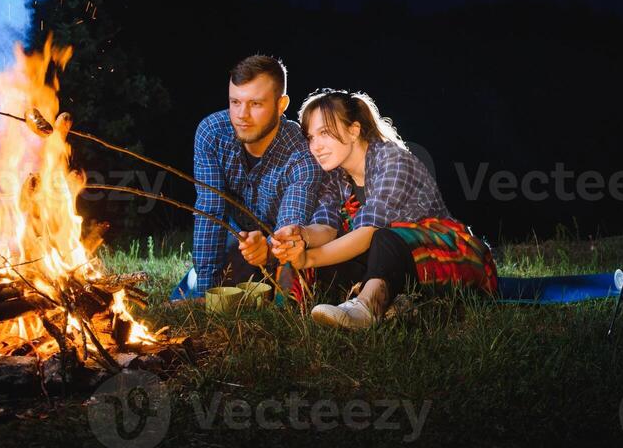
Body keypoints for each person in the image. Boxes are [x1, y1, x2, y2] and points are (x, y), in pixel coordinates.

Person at [260, 88, 497, 329]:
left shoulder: (392, 160)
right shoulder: (334, 175)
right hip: (387, 263)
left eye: (324, 133)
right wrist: (301, 236)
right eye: (311, 137)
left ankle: (367, 307)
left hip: (445, 256)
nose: (316, 146)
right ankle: (393, 305)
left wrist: (308, 259)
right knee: (327, 246)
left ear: (354, 130)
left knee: (383, 236)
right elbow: (327, 227)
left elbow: (367, 233)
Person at [187, 55, 320, 295]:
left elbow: (290, 227)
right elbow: (210, 210)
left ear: (281, 105)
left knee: (282, 293)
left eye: (255, 104)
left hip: (289, 250)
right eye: (235, 102)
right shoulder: (212, 133)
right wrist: (206, 292)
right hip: (237, 237)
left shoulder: (302, 154)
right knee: (188, 294)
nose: (241, 115)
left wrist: (268, 249)